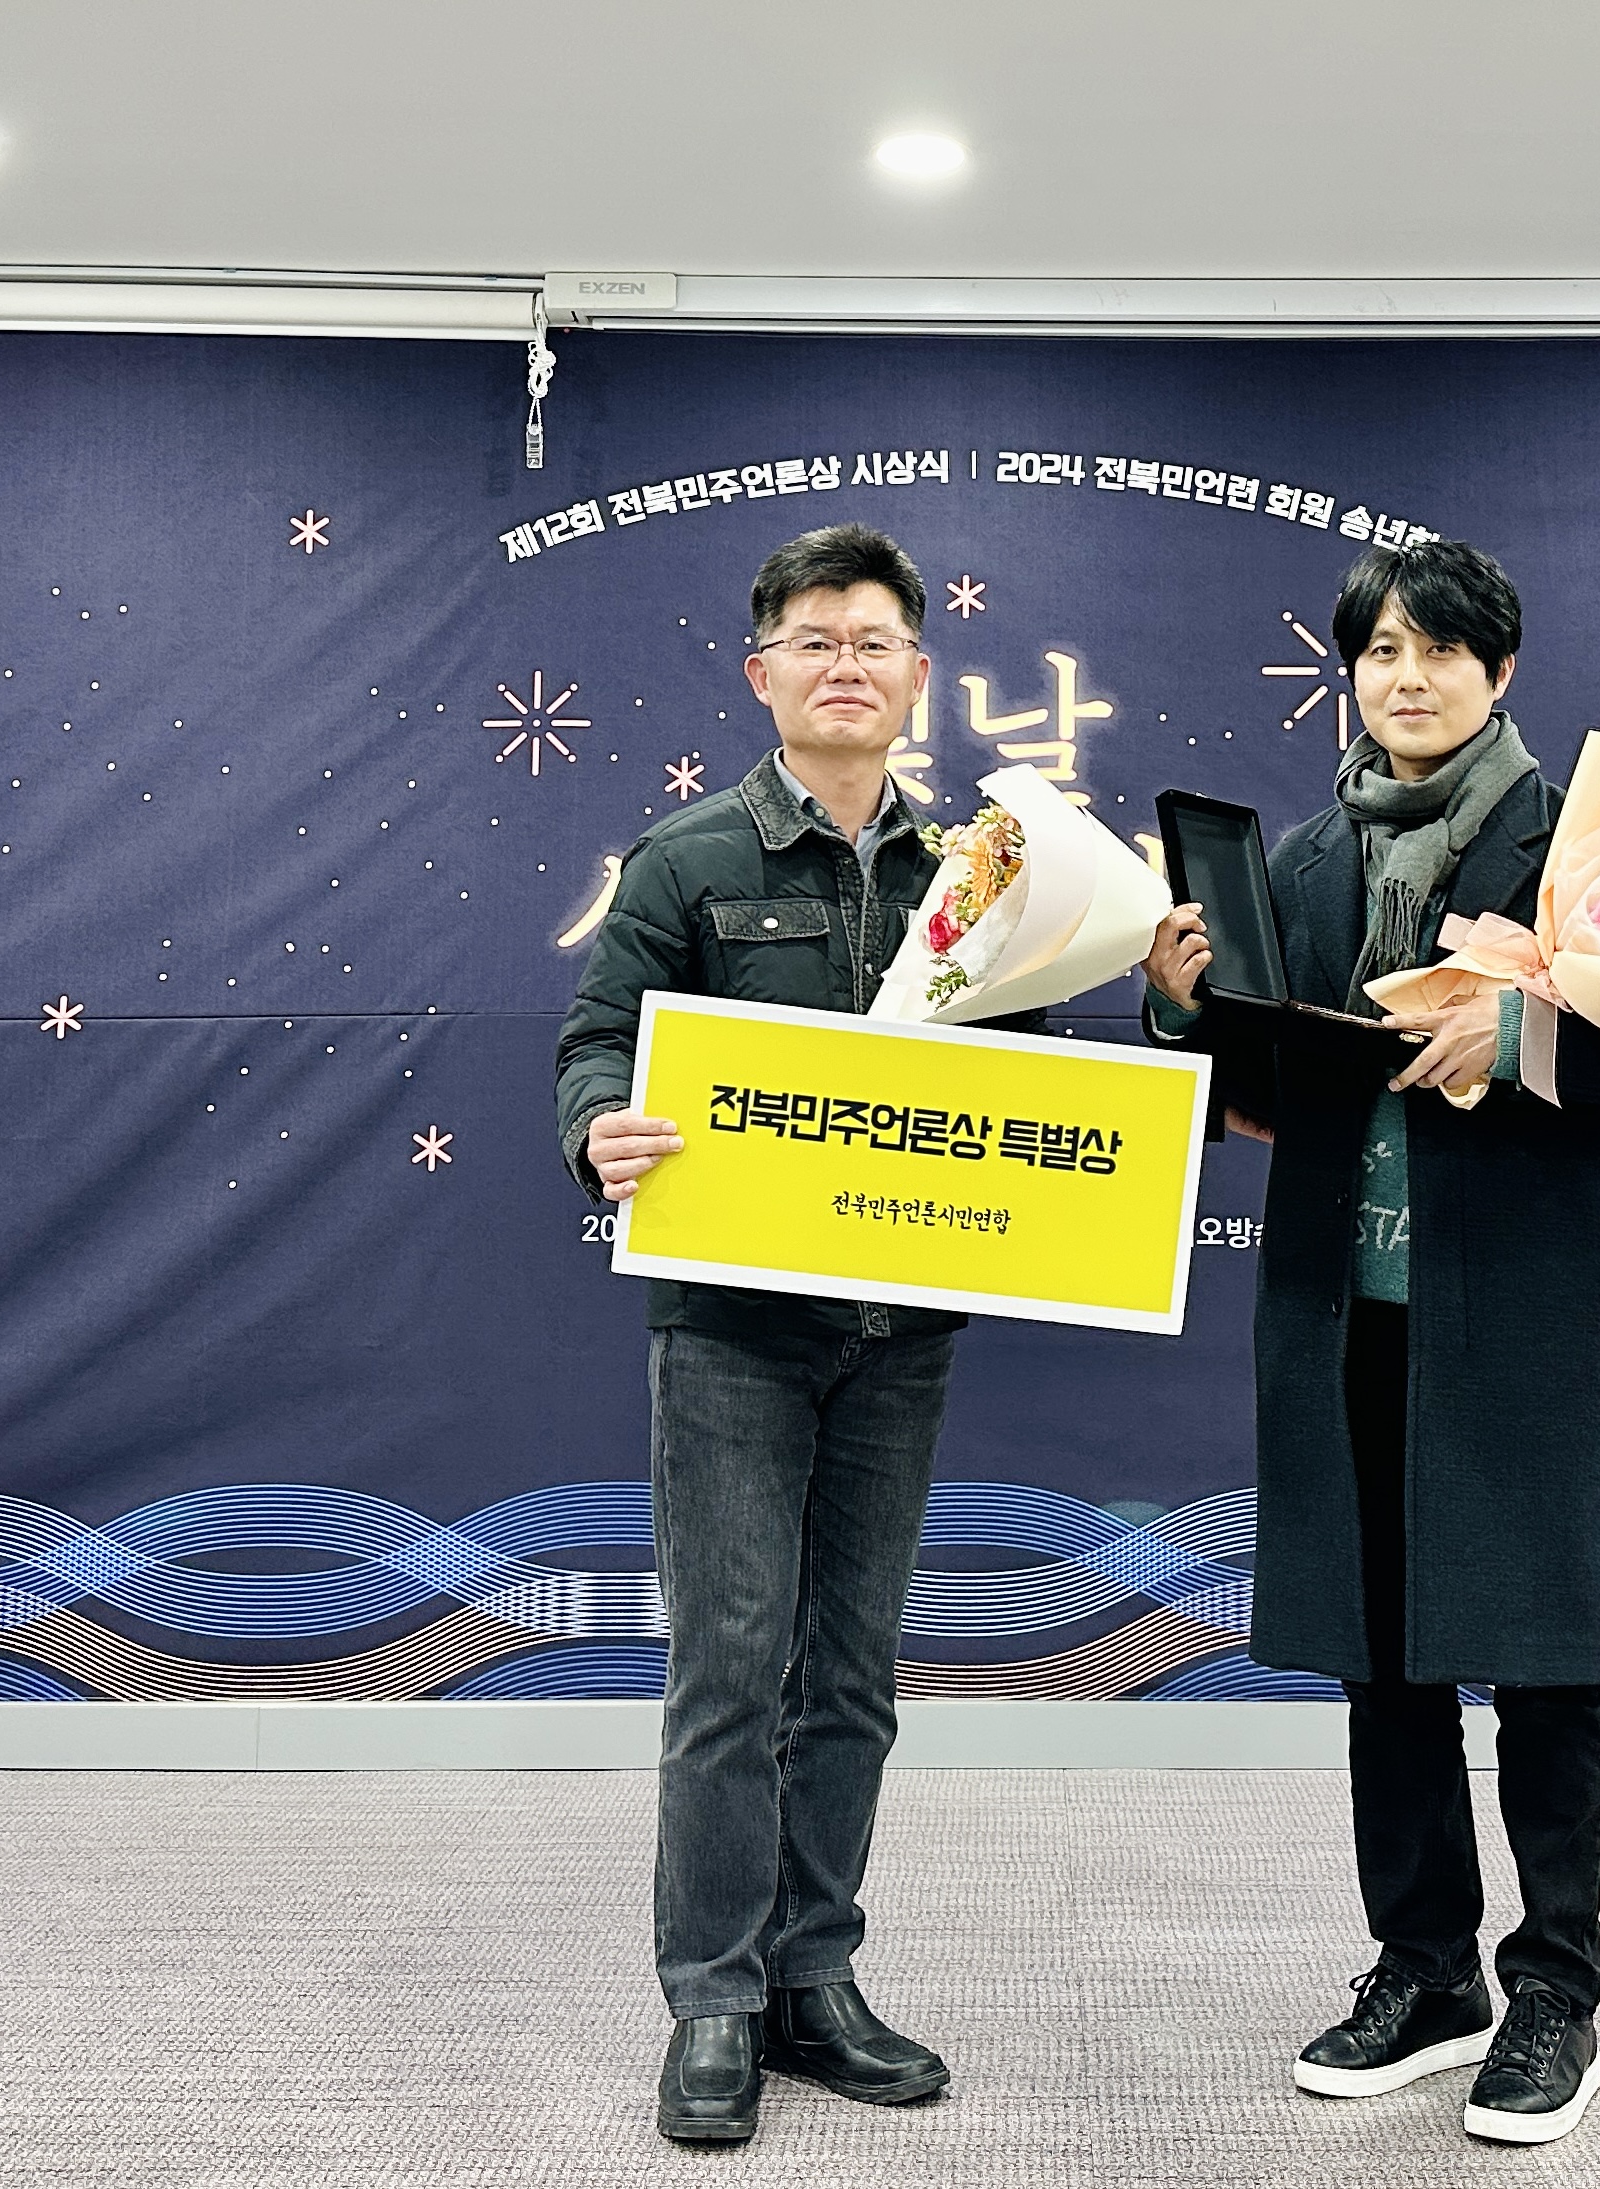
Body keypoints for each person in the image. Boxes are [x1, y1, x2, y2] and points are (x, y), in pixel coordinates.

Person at [1141, 538, 1600, 2147]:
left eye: (1438, 651)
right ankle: (1426, 1971)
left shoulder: (1596, 842)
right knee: (1385, 1660)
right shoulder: (1302, 862)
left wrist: (1527, 1025)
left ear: (1501, 670)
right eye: (1380, 652)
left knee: (1544, 1658)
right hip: (1344, 1307)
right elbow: (1265, 1089)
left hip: (1525, 1312)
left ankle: (1555, 1988)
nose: (1405, 678)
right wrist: (1184, 1005)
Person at [556, 523, 1017, 2145]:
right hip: (734, 1331)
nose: (845, 664)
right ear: (762, 673)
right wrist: (600, 1122)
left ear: (918, 675)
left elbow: (1034, 1070)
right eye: (814, 639)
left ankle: (815, 1976)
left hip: (903, 1326)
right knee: (730, 1667)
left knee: (853, 1673)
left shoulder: (975, 871)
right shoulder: (686, 860)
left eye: (874, 640)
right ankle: (714, 1994)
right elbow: (597, 1037)